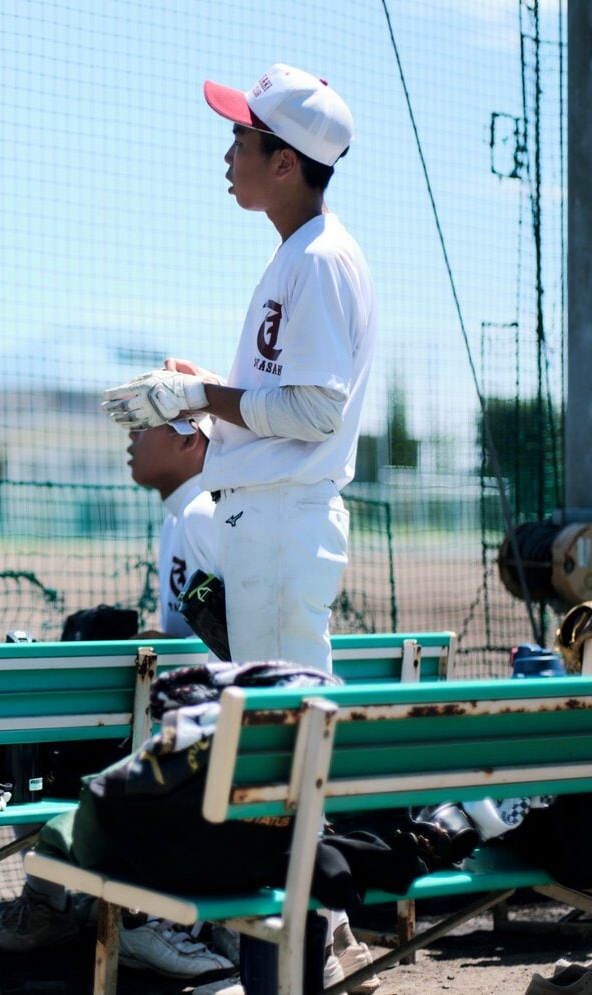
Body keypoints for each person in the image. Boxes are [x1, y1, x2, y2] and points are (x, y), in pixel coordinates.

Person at [102, 63, 376, 676]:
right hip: (270, 519)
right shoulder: (302, 251)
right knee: (276, 709)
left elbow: (316, 412)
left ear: (285, 162)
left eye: (241, 141)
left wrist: (198, 394)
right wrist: (200, 391)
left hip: (281, 517)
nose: (228, 156)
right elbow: (288, 398)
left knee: (286, 714)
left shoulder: (318, 257)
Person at [0, 419, 235, 983]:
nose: (131, 440)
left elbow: (222, 643)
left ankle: (86, 908)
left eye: (143, 428)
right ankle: (70, 903)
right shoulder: (185, 514)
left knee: (32, 739)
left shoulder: (200, 513)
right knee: (41, 741)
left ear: (190, 440)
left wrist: (135, 649)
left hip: (200, 731)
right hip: (195, 722)